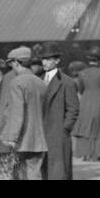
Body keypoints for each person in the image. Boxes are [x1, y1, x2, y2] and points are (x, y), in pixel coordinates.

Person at [0, 45, 48, 180]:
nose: (11, 66)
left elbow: (16, 113)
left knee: (17, 174)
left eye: (11, 63)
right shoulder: (41, 83)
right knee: (35, 173)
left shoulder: (16, 82)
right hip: (39, 138)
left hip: (21, 138)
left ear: (16, 62)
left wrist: (11, 137)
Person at [38, 42, 79, 180]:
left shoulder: (67, 82)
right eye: (43, 59)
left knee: (59, 170)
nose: (45, 62)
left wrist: (65, 128)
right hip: (41, 132)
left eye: (49, 59)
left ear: (57, 60)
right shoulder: (38, 81)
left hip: (58, 133)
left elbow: (73, 109)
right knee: (43, 168)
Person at [73, 49, 100, 161]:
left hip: (86, 100)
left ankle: (85, 153)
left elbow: (80, 89)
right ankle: (99, 153)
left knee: (85, 126)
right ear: (99, 60)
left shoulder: (82, 73)